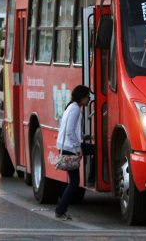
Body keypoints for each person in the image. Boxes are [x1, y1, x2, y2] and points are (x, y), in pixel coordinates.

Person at [54, 85, 91, 221]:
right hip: (70, 147)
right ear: (82, 97)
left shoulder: (72, 107)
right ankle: (60, 210)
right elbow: (69, 131)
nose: (89, 100)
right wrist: (78, 148)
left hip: (69, 145)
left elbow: (72, 130)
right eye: (88, 97)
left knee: (73, 181)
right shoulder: (75, 109)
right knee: (74, 182)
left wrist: (83, 137)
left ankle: (60, 208)